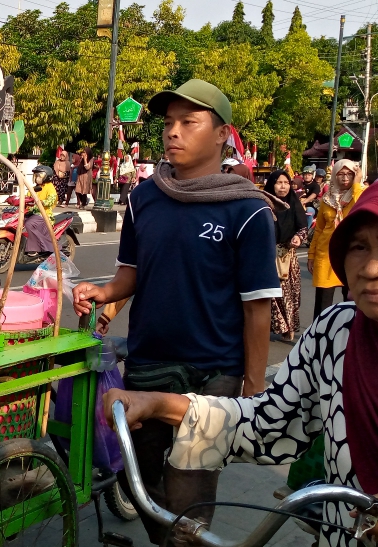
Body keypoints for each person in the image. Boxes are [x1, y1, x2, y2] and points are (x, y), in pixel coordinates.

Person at [105, 181, 378, 547]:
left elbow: (257, 304)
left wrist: (251, 378)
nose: (371, 268)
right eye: (360, 247)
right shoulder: (335, 332)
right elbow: (268, 421)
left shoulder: (249, 213)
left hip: (218, 364)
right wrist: (156, 404)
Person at [72, 79, 281, 545]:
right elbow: (132, 273)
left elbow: (257, 308)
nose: (173, 132)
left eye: (189, 122)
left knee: (189, 498)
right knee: (140, 480)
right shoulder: (144, 198)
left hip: (214, 374)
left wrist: (252, 388)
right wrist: (103, 292)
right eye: (169, 123)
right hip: (149, 361)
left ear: (222, 133)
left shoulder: (246, 210)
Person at [309, 160, 364, 318]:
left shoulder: (359, 194)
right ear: (334, 175)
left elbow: (359, 197)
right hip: (326, 254)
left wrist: (357, 181)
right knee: (322, 305)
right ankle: (318, 338)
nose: (345, 177)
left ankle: (350, 338)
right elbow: (319, 229)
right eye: (341, 174)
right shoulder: (327, 199)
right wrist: (312, 255)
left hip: (351, 254)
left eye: (349, 174)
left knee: (352, 302)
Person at [264, 170, 307, 342]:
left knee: (290, 294)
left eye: (286, 183)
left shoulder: (294, 204)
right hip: (267, 255)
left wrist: (298, 237)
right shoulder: (264, 204)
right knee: (272, 295)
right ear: (272, 184)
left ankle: (288, 327)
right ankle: (275, 326)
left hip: (288, 256)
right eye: (279, 182)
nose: (283, 187)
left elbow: (302, 227)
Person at [24, 165, 58, 257]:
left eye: (39, 176)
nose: (36, 178)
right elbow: (27, 196)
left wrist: (41, 202)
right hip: (33, 213)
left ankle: (34, 248)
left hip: (44, 215)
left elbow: (52, 199)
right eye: (36, 176)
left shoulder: (49, 187)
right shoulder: (36, 187)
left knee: (29, 224)